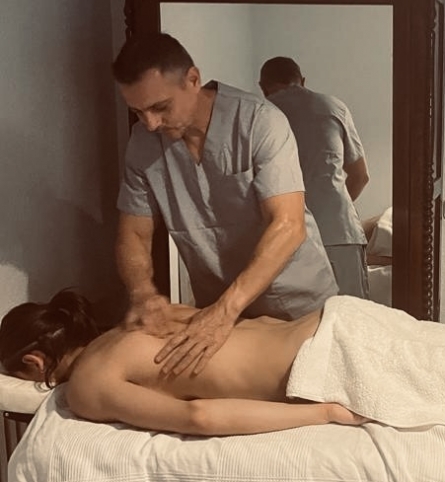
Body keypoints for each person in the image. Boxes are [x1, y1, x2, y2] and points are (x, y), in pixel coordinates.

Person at [112, 32, 338, 376]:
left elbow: (288, 225)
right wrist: (142, 293)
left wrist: (224, 311)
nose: (151, 123)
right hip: (220, 308)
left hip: (297, 301)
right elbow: (133, 233)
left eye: (160, 107)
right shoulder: (142, 144)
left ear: (193, 80)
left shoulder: (259, 120)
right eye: (137, 111)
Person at [1, 289, 444, 436]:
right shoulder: (134, 322)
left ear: (35, 362)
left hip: (334, 356)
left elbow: (198, 417)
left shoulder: (88, 384)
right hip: (340, 316)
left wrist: (325, 413)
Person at [259, 57, 370, 299]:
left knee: (297, 318)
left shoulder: (260, 115)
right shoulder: (333, 107)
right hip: (338, 232)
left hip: (283, 238)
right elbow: (360, 176)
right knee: (353, 313)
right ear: (302, 80)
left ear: (263, 87)